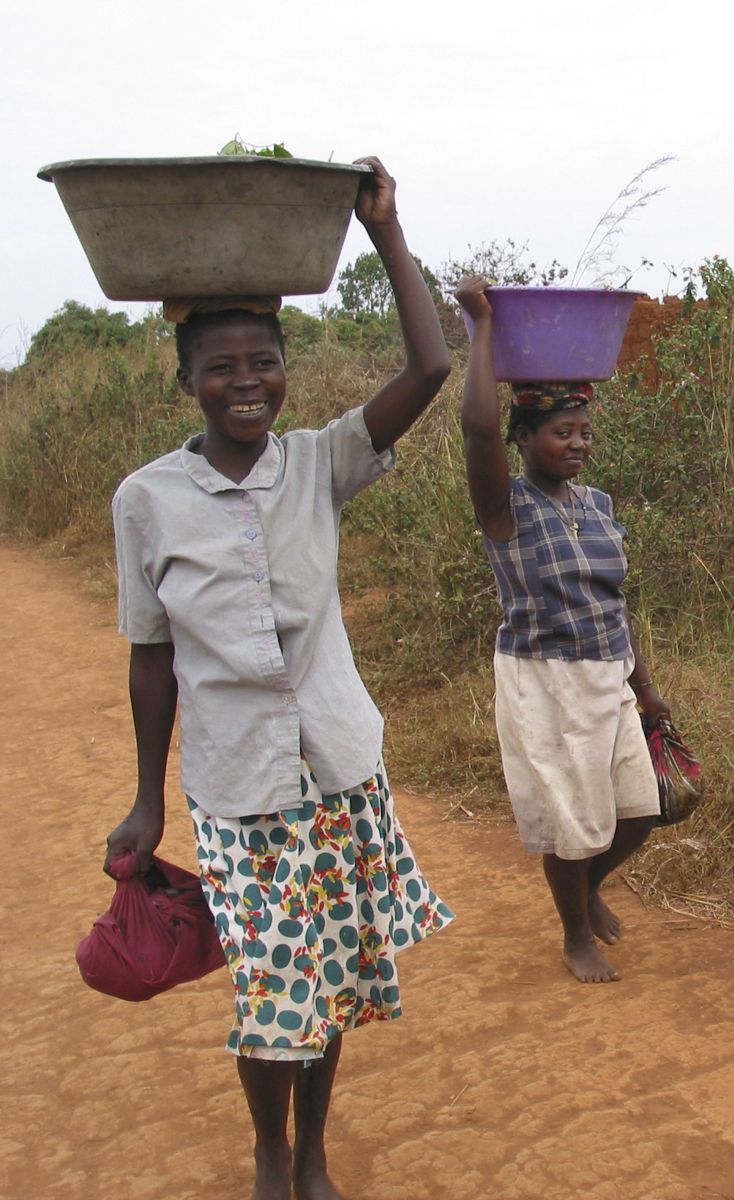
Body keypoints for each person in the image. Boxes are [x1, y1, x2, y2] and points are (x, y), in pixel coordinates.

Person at [103, 157, 454, 1200]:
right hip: (238, 789)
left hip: (338, 769)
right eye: (221, 367)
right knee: (270, 991)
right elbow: (151, 657)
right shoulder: (146, 502)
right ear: (186, 381)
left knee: (330, 976)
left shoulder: (319, 463)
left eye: (264, 361)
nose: (246, 381)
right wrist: (144, 798)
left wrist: (386, 231)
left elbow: (432, 367)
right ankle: (270, 1151)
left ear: (286, 370)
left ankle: (313, 1154)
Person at [453, 275, 670, 985]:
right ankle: (575, 932)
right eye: (560, 432)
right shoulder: (505, 508)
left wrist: (646, 686)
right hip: (544, 681)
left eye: (583, 431)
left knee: (640, 810)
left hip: (607, 673)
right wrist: (484, 327)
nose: (577, 443)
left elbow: (615, 602)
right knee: (570, 819)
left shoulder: (596, 504)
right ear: (523, 438)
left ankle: (587, 889)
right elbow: (478, 430)